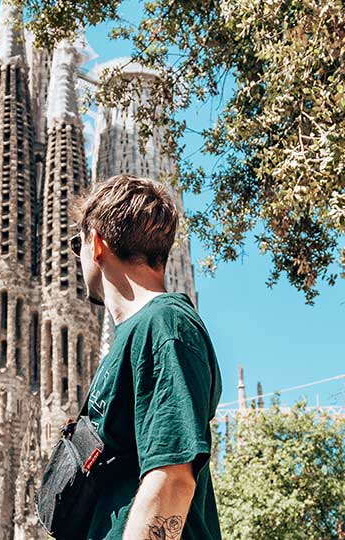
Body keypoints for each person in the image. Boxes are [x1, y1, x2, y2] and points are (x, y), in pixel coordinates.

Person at [70, 174, 222, 540]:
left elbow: (171, 478)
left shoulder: (164, 325)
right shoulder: (140, 334)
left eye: (78, 243)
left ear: (97, 243)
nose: (77, 255)